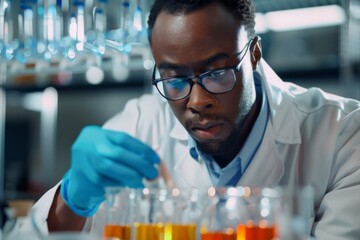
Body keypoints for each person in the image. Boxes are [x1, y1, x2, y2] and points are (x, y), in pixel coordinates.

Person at [23, 0, 360, 239]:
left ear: (254, 54)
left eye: (216, 73)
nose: (197, 102)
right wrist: (72, 199)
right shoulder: (141, 124)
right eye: (174, 79)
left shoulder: (343, 134)